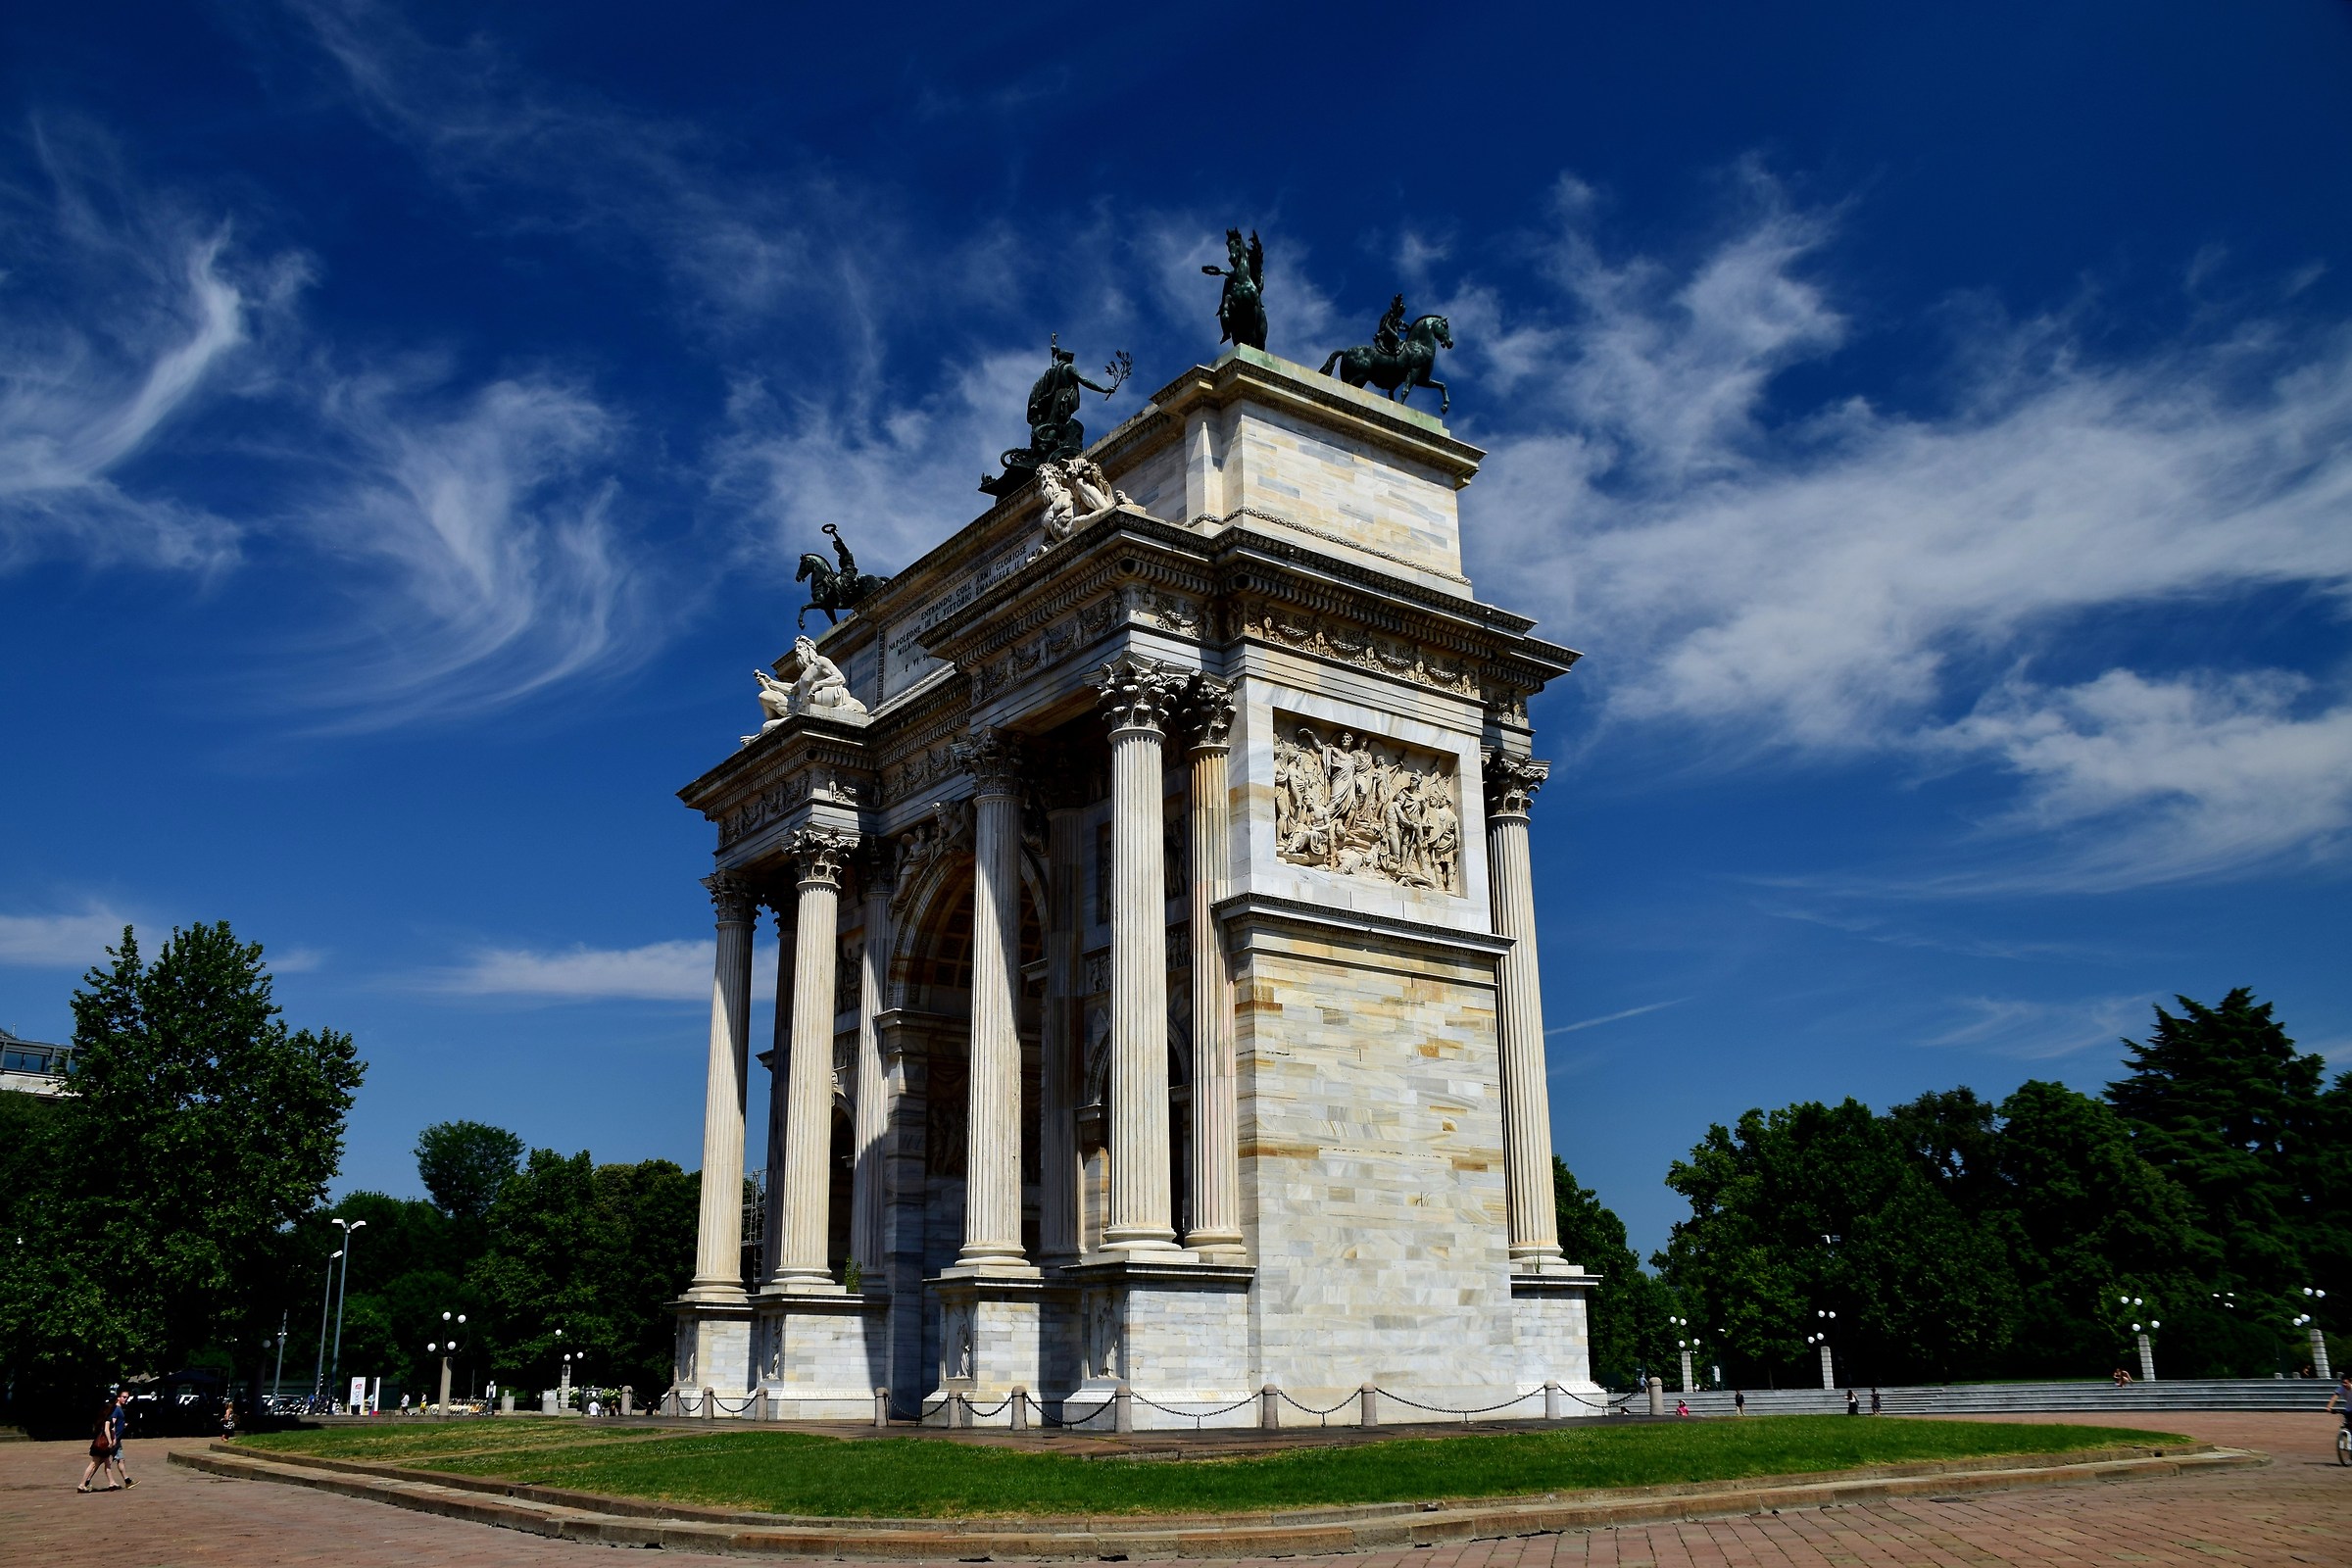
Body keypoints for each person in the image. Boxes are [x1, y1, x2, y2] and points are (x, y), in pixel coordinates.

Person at [76, 1396, 119, 1492]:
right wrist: (110, 1441)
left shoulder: (101, 1416)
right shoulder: (108, 1418)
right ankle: (82, 1484)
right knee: (93, 1464)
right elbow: (107, 1430)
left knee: (107, 1463)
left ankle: (112, 1483)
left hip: (98, 1444)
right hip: (102, 1445)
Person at [103, 1391, 133, 1488]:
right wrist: (113, 1439)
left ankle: (127, 1481)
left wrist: (123, 1425)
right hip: (113, 1440)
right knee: (99, 1462)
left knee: (120, 1459)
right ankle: (86, 1481)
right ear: (118, 1397)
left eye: (127, 1397)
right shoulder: (116, 1409)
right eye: (124, 1397)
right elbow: (112, 1424)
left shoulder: (120, 1408)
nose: (126, 1399)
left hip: (117, 1440)